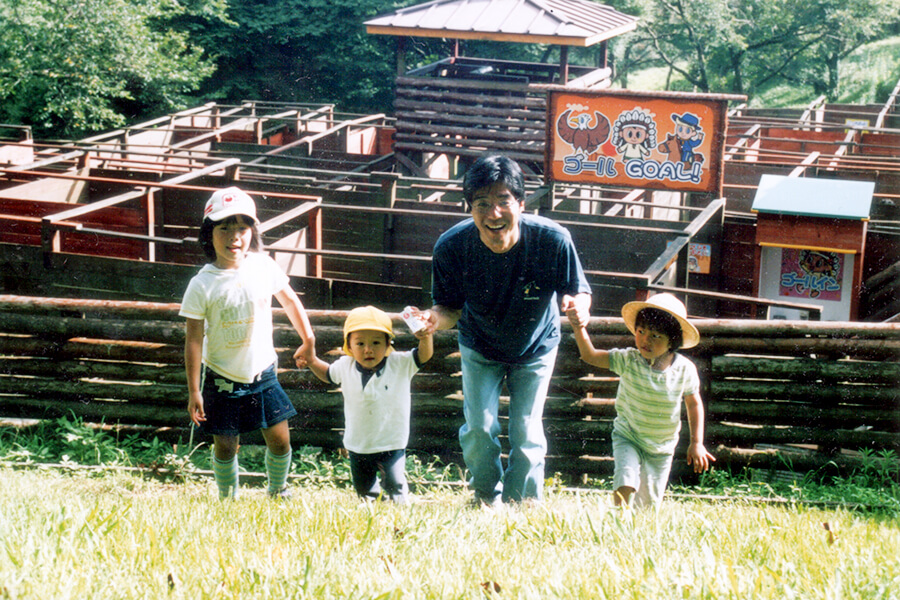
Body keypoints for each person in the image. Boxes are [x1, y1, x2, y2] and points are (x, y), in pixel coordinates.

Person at [422, 153, 592, 506]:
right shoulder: (451, 246)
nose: (493, 213)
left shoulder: (552, 239)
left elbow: (578, 289)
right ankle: (486, 499)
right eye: (482, 203)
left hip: (537, 345)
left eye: (503, 201)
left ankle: (522, 504)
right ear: (468, 207)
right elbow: (448, 308)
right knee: (479, 430)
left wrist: (579, 307)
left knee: (526, 430)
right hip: (479, 345)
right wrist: (433, 321)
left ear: (521, 203)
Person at [180, 187, 315, 499]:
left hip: (263, 373)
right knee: (225, 445)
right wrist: (194, 390)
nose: (234, 236)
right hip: (222, 378)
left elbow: (291, 302)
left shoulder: (263, 266)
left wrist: (308, 339)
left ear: (252, 232)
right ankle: (228, 499)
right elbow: (193, 339)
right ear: (208, 233)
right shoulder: (202, 284)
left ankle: (278, 489)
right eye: (224, 227)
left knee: (280, 438)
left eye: (242, 227)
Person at [567, 292, 715, 509]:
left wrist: (696, 443)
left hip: (662, 446)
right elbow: (590, 355)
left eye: (656, 336)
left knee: (647, 505)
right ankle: (619, 521)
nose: (645, 340)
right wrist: (578, 327)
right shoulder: (628, 359)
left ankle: (635, 535)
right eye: (641, 331)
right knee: (625, 479)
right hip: (629, 435)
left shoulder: (684, 370)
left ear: (672, 341)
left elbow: (694, 404)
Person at [300, 305, 433, 504]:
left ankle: (399, 512)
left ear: (388, 344)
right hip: (358, 443)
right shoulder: (345, 366)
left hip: (391, 441)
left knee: (395, 483)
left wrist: (425, 337)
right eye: (360, 343)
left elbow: (424, 355)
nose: (368, 349)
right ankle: (372, 509)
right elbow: (328, 374)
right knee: (364, 487)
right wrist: (311, 360)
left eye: (376, 342)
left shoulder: (399, 364)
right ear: (349, 346)